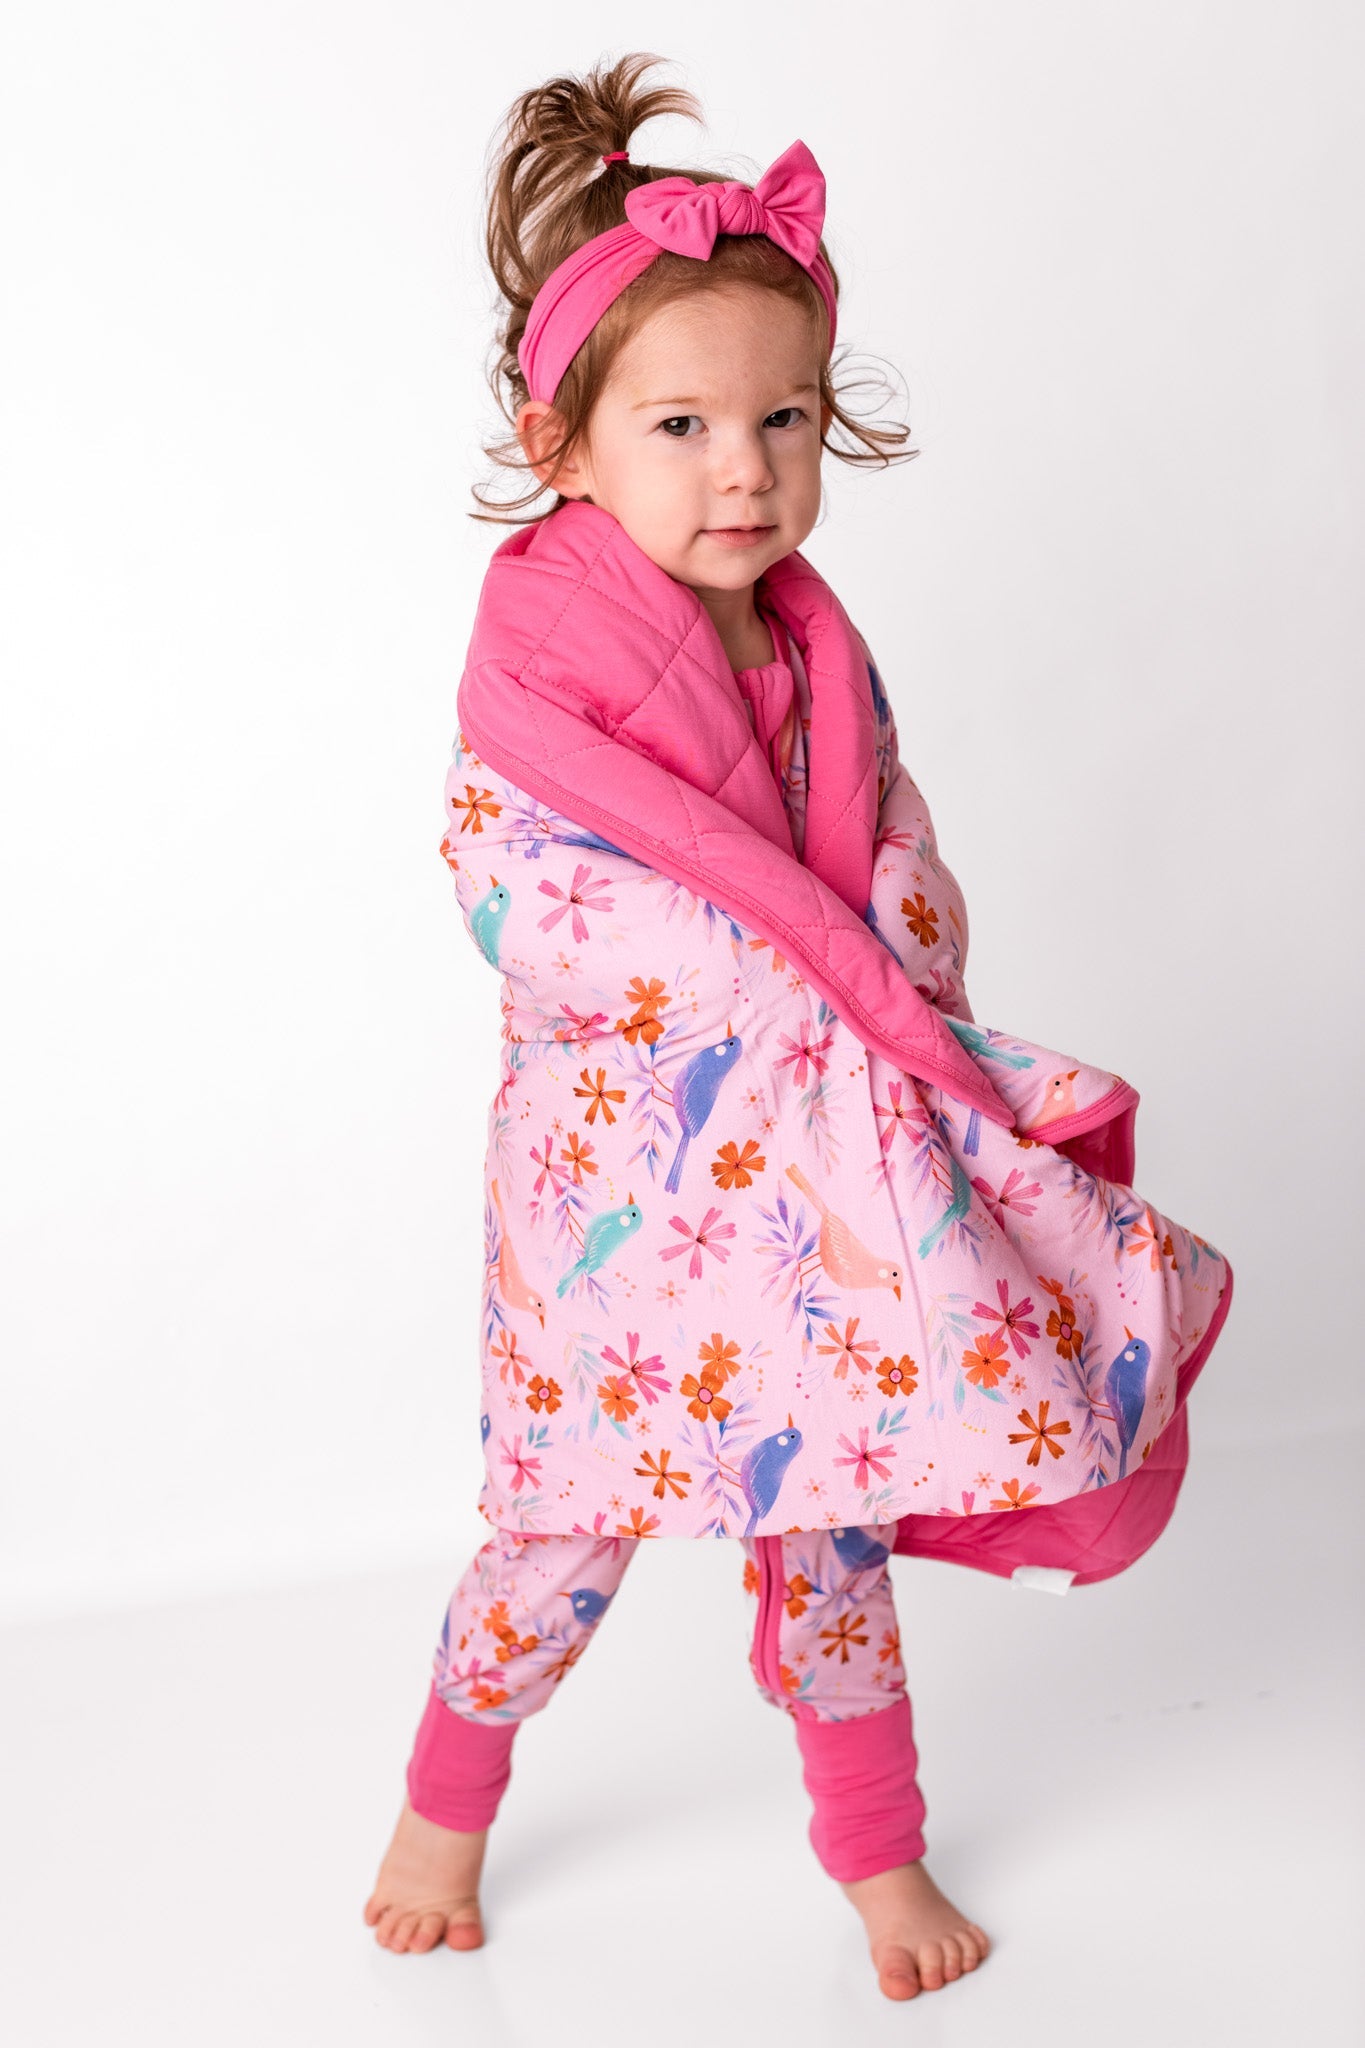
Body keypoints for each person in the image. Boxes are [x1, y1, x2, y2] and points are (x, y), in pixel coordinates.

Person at [364, 52, 1232, 2002]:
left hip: (818, 1186)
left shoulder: (809, 638)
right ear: (564, 443)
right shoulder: (539, 674)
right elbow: (528, 898)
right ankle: (443, 1805)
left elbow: (887, 840)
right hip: (623, 1203)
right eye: (678, 426)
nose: (741, 470)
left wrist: (888, 941)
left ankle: (876, 1851)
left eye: (780, 419)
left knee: (828, 1522)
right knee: (559, 1534)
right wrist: (801, 972)